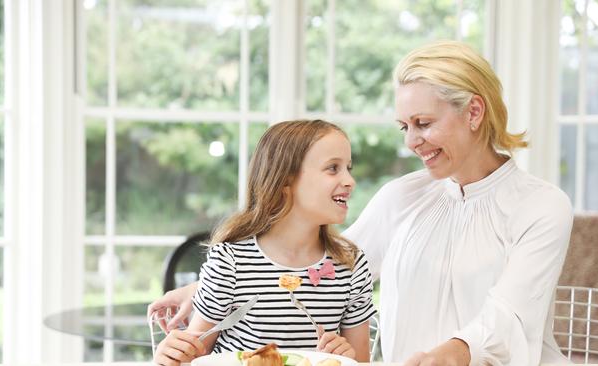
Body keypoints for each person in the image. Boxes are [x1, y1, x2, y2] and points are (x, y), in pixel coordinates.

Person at [149, 41, 573, 366]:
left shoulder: (541, 207)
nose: (411, 142)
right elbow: (328, 267)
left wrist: (455, 350)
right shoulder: (403, 196)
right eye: (405, 126)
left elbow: (512, 312)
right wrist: (207, 288)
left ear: (474, 112)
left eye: (424, 123)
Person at [151, 120, 376, 366]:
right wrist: (172, 354)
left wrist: (346, 358)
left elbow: (361, 362)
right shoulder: (230, 260)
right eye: (333, 168)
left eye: (348, 168)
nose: (349, 181)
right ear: (285, 181)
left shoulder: (351, 264)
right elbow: (193, 357)